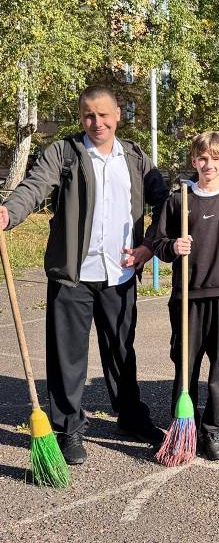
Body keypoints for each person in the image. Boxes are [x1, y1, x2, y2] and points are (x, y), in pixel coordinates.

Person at [0, 85, 169, 464]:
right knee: (68, 357)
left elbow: (166, 203)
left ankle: (130, 416)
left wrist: (149, 245)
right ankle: (68, 429)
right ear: (81, 117)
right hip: (73, 275)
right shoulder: (64, 153)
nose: (97, 122)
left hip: (120, 274)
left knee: (121, 352)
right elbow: (35, 185)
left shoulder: (135, 158)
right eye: (89, 115)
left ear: (118, 115)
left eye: (104, 114)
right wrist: (9, 212)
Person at [152, 131, 219, 461]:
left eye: (216, 158)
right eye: (202, 158)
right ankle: (185, 426)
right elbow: (158, 242)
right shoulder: (178, 200)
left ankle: (212, 430)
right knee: (186, 367)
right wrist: (172, 246)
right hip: (187, 298)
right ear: (194, 161)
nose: (208, 164)